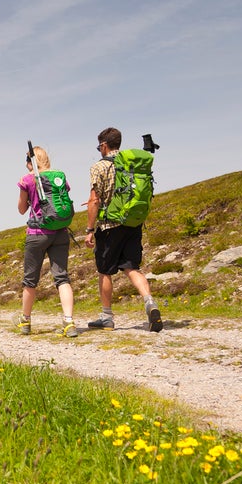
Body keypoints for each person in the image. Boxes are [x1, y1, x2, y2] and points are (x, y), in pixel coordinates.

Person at [84, 127, 163, 332]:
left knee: (104, 271)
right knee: (131, 268)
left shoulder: (99, 167)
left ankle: (107, 317)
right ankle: (150, 302)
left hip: (110, 226)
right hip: (132, 223)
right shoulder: (132, 165)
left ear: (103, 145)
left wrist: (89, 229)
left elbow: (94, 200)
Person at [16, 146, 78, 337]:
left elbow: (21, 209)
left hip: (37, 233)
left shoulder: (28, 179)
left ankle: (25, 321)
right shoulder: (59, 175)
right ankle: (69, 321)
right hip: (60, 231)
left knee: (30, 280)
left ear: (30, 162)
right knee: (62, 278)